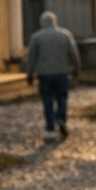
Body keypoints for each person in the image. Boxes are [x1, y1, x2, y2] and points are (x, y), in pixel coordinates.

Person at [26, 11, 82, 139]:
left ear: (41, 22)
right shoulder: (65, 34)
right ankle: (61, 118)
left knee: (47, 100)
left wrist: (29, 73)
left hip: (44, 74)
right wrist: (77, 69)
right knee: (62, 97)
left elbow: (31, 57)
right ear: (55, 21)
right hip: (61, 73)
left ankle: (50, 128)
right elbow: (74, 53)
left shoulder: (37, 37)